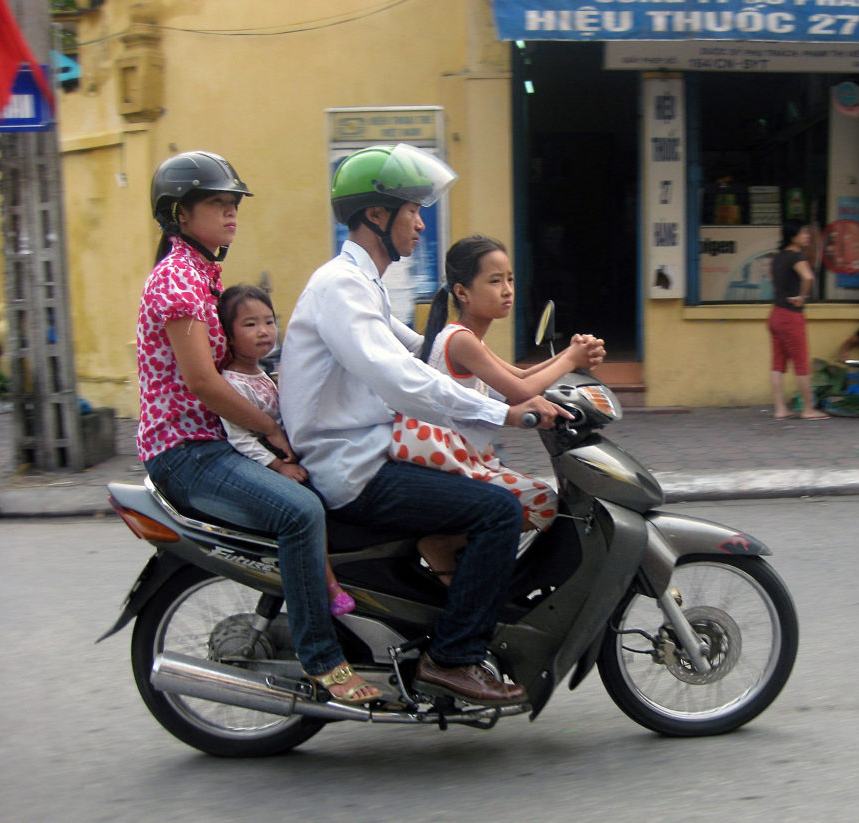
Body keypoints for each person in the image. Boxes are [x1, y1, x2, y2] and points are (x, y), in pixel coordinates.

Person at [279, 144, 569, 707]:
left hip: (374, 450)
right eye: (411, 210)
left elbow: (424, 353)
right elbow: (399, 380)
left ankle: (451, 615)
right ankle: (453, 656)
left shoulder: (366, 286)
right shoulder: (341, 287)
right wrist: (502, 412)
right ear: (376, 216)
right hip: (354, 467)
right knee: (497, 511)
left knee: (488, 484)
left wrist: (530, 383)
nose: (421, 221)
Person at [138, 151, 379, 705]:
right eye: (218, 205)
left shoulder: (201, 273)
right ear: (180, 213)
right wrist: (272, 430)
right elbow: (203, 383)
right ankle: (324, 661)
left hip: (216, 442)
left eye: (233, 205)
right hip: (190, 451)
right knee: (301, 512)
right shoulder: (177, 281)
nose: (230, 215)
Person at [396, 234, 605, 582]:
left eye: (509, 279)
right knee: (543, 501)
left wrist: (570, 357)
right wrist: (569, 359)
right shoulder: (460, 340)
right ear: (462, 292)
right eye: (494, 281)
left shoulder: (465, 336)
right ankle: (445, 545)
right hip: (450, 459)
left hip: (459, 454)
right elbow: (521, 390)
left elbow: (520, 375)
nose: (507, 289)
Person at [217, 284, 354, 617]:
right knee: (310, 509)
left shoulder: (262, 374)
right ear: (229, 336)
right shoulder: (231, 383)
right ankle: (328, 583)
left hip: (289, 458)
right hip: (267, 468)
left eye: (268, 321)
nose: (263, 331)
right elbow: (240, 439)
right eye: (250, 324)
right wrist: (278, 467)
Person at [768, 220, 829, 420]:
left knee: (778, 363)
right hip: (791, 316)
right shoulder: (796, 257)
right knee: (801, 363)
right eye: (804, 233)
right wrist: (802, 297)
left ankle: (780, 409)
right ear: (793, 236)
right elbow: (808, 277)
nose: (807, 236)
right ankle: (808, 409)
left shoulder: (777, 258)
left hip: (775, 314)